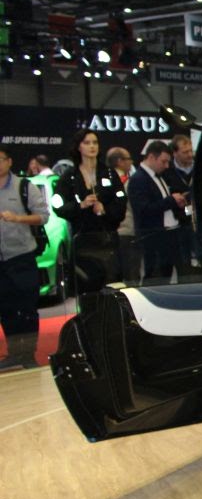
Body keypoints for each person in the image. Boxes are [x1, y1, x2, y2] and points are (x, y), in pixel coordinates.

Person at [52, 128, 126, 293]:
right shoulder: (69, 177)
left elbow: (121, 203)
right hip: (82, 244)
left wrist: (105, 209)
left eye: (95, 142)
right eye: (87, 143)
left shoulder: (109, 173)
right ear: (79, 147)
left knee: (112, 289)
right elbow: (58, 207)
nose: (92, 146)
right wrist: (81, 205)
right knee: (87, 290)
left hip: (108, 241)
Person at [0, 146, 49, 369]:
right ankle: (14, 352)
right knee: (5, 307)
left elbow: (43, 216)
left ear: (9, 161)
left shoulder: (24, 186)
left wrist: (18, 218)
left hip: (22, 256)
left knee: (27, 307)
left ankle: (28, 353)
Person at [129, 141, 186, 283]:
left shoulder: (158, 177)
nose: (166, 166)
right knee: (155, 277)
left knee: (167, 274)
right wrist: (171, 200)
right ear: (151, 157)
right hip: (153, 237)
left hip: (168, 234)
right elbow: (144, 210)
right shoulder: (138, 179)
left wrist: (175, 202)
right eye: (163, 161)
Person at [162, 134, 199, 272]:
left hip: (199, 223)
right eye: (185, 152)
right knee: (183, 265)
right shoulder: (166, 171)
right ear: (175, 153)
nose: (190, 155)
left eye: (191, 151)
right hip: (178, 224)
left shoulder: (200, 168)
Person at [108, 147, 141, 284]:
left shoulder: (103, 180)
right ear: (119, 161)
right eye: (129, 159)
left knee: (113, 276)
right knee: (131, 276)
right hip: (127, 232)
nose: (131, 162)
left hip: (110, 234)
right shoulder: (127, 182)